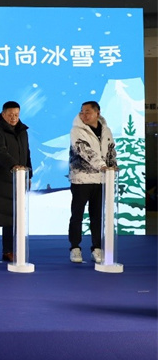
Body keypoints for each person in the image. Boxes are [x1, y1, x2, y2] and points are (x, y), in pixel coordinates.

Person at [0, 101, 32, 263]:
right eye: (10, 115)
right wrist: (13, 166)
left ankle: (8, 251)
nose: (13, 118)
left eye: (16, 115)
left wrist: (28, 175)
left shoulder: (23, 132)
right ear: (3, 114)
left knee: (12, 218)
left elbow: (27, 154)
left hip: (17, 180)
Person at [68, 101, 117, 264]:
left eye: (87, 111)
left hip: (101, 180)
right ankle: (75, 248)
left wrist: (112, 166)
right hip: (81, 179)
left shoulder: (106, 130)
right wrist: (102, 165)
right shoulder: (76, 130)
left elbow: (111, 150)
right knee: (77, 215)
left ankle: (97, 248)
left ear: (97, 113)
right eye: (82, 112)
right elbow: (84, 151)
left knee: (97, 216)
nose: (84, 115)